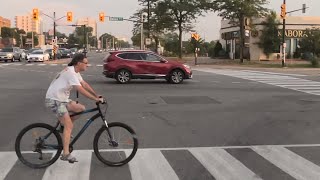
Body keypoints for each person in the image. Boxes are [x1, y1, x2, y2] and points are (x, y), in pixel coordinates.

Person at [45, 53, 103, 163]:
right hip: (55, 100)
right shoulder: (71, 72)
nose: (87, 65)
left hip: (62, 100)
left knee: (80, 108)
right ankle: (65, 153)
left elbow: (84, 84)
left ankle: (64, 127)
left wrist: (96, 95)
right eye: (86, 63)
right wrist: (94, 99)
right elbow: (80, 89)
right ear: (78, 63)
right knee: (69, 125)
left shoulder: (75, 71)